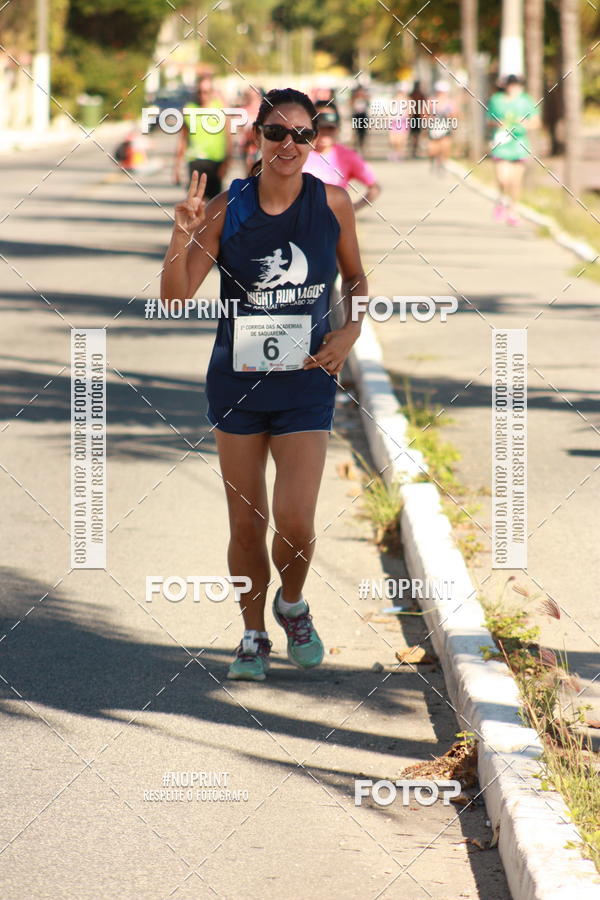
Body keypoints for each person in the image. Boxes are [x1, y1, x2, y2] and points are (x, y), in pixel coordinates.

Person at [161, 88, 367, 681]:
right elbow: (174, 298)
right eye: (277, 133)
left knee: (297, 520)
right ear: (257, 139)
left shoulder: (332, 203)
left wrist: (348, 335)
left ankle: (292, 604)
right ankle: (252, 633)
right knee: (246, 525)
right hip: (239, 385)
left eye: (302, 135)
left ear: (315, 141)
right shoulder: (229, 207)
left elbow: (355, 281)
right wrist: (184, 235)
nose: (289, 145)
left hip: (306, 382)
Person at [303, 102, 381, 211]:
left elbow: (374, 188)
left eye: (330, 128)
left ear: (338, 128)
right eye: (320, 127)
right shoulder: (298, 152)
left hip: (333, 225)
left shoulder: (347, 156)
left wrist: (351, 210)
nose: (325, 132)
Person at [487, 74, 539, 226]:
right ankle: (502, 199)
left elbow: (536, 122)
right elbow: (489, 120)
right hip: (502, 143)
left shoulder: (526, 100)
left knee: (515, 182)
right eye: (510, 85)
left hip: (519, 144)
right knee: (503, 179)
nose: (513, 88)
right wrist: (499, 123)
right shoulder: (496, 100)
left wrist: (523, 124)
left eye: (516, 85)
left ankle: (512, 211)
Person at [173, 73, 232, 197]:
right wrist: (176, 167)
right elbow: (183, 140)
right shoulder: (189, 109)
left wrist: (228, 161)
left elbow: (228, 137)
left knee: (213, 206)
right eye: (199, 91)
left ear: (212, 92)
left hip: (215, 161)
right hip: (195, 160)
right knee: (195, 203)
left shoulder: (220, 109)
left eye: (206, 92)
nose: (202, 95)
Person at [427, 80, 458, 174]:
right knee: (433, 149)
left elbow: (456, 115)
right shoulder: (431, 101)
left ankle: (443, 163)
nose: (442, 93)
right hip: (434, 127)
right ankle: (433, 160)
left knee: (445, 146)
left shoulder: (451, 102)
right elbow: (424, 113)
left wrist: (450, 116)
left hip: (445, 127)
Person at [408, 80, 427, 158]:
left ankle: (414, 148)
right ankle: (415, 148)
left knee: (414, 135)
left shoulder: (412, 95)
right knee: (416, 135)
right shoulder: (420, 95)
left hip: (415, 117)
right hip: (417, 117)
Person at [350, 85, 370, 153]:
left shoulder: (365, 98)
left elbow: (367, 106)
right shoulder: (354, 98)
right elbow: (351, 106)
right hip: (356, 116)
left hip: (363, 116)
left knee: (363, 133)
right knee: (356, 132)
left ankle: (362, 146)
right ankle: (356, 146)